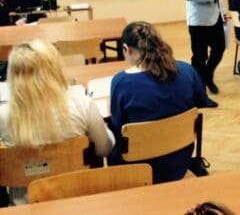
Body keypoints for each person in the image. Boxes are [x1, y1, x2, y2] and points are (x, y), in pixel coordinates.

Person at [0, 40, 114, 204]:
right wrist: (107, 131)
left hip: (26, 205)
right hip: (79, 200)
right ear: (54, 67)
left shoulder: (3, 115)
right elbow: (104, 150)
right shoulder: (81, 103)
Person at [109, 21, 209, 183]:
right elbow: (201, 102)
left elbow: (117, 125)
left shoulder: (121, 82)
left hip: (137, 169)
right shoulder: (187, 71)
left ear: (127, 49)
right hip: (179, 162)